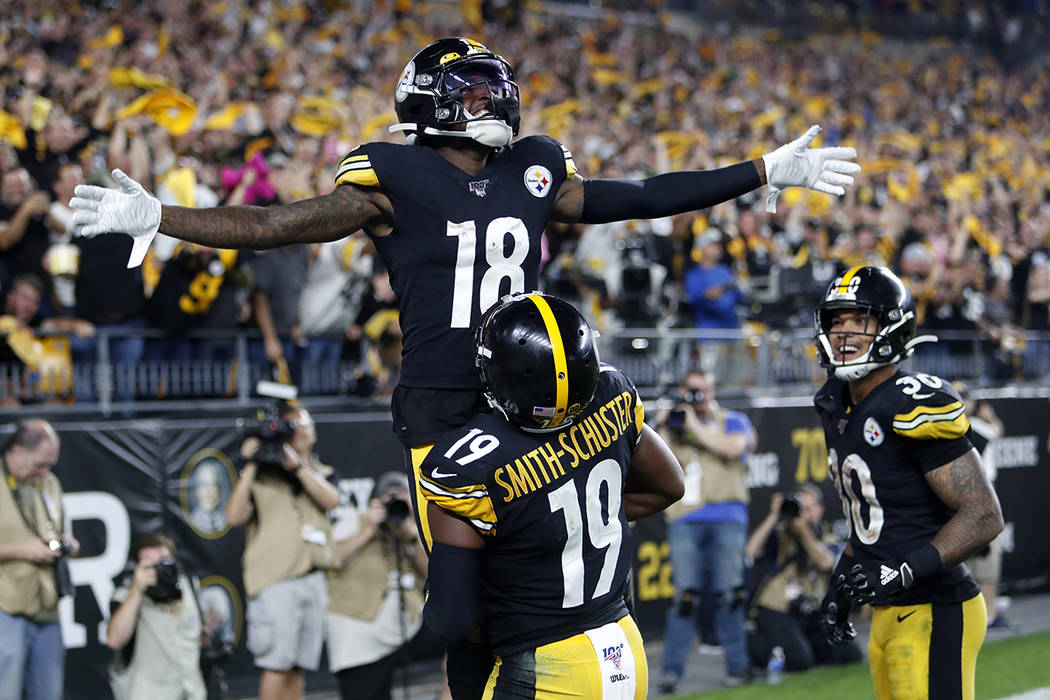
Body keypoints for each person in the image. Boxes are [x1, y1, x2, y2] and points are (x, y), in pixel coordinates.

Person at [70, 36, 857, 693]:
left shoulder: (534, 166)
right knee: (467, 604)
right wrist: (161, 216)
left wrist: (761, 170)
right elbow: (281, 223)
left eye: (496, 87)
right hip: (447, 406)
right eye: (473, 89)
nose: (494, 101)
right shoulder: (392, 174)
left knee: (536, 575)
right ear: (429, 100)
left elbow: (644, 194)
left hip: (539, 392)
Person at [419, 292, 684, 696]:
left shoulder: (467, 466)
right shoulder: (611, 395)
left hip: (545, 667)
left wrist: (540, 532)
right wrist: (571, 521)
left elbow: (452, 619)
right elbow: (669, 485)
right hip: (625, 646)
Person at [813, 266, 1005, 700]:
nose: (844, 333)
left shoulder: (911, 401)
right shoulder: (834, 405)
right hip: (887, 614)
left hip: (935, 608)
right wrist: (840, 589)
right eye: (836, 321)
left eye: (860, 320)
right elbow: (873, 518)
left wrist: (902, 572)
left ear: (892, 327)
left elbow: (984, 515)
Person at [226, 401, 341, 700]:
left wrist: (298, 467)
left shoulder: (321, 472)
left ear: (314, 433)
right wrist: (249, 464)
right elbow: (234, 516)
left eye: (303, 424)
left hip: (312, 577)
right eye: (292, 426)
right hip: (276, 579)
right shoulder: (263, 474)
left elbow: (331, 501)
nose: (299, 431)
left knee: (299, 666)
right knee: (277, 665)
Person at [654, 370, 757, 691]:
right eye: (693, 391)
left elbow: (733, 448)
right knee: (685, 596)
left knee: (730, 594)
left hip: (727, 515)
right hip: (685, 518)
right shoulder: (672, 423)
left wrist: (693, 426)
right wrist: (661, 427)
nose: (699, 398)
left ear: (713, 390)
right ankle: (671, 673)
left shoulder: (733, 420)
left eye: (704, 391)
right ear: (684, 390)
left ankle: (738, 667)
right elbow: (650, 460)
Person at [326, 471, 441, 700]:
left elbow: (433, 574)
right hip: (363, 631)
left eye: (402, 495)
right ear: (377, 501)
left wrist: (409, 534)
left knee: (463, 636)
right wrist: (369, 528)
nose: (395, 502)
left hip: (408, 626)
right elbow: (334, 557)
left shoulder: (412, 528)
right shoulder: (357, 519)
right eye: (390, 496)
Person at [744, 486, 861, 673]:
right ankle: (760, 647)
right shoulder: (782, 536)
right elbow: (751, 551)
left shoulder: (828, 540)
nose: (803, 515)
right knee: (800, 661)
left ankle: (797, 646)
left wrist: (803, 532)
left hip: (811, 610)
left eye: (808, 509)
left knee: (850, 654)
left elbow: (824, 563)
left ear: (819, 510)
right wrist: (774, 516)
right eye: (800, 509)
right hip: (778, 607)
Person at [0, 418, 78, 699]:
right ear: (17, 451)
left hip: (48, 610)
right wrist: (23, 550)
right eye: (39, 464)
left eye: (50, 465)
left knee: (49, 693)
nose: (45, 471)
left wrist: (68, 543)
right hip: (6, 609)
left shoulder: (49, 483)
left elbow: (60, 527)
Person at [106, 532, 207, 700]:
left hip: (192, 692)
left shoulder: (189, 586)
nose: (159, 571)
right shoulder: (126, 597)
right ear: (137, 568)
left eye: (164, 563)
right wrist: (137, 590)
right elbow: (114, 640)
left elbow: (200, 636)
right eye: (150, 565)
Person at [952, 381, 1009, 629]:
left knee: (979, 564)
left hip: (960, 504)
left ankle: (981, 616)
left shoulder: (944, 428)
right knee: (981, 564)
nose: (963, 403)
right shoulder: (975, 427)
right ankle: (988, 615)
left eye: (965, 398)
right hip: (977, 501)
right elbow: (996, 432)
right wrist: (993, 418)